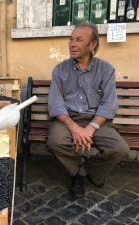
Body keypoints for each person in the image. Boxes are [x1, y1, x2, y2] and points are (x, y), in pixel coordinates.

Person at [46, 22, 129, 198]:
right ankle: (77, 175)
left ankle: (91, 172)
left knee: (119, 148)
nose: (72, 44)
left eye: (78, 40)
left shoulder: (106, 69)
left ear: (92, 45)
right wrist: (74, 127)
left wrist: (90, 128)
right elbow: (55, 104)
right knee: (55, 141)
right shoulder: (60, 70)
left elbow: (109, 104)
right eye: (71, 39)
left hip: (97, 120)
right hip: (67, 119)